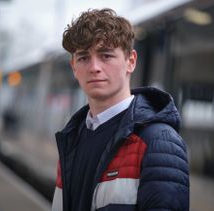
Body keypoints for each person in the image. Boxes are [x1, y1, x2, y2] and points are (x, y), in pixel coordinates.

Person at [52, 8, 189, 211]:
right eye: (83, 58)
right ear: (74, 67)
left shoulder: (159, 142)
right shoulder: (72, 137)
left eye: (106, 55)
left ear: (130, 62)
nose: (94, 67)